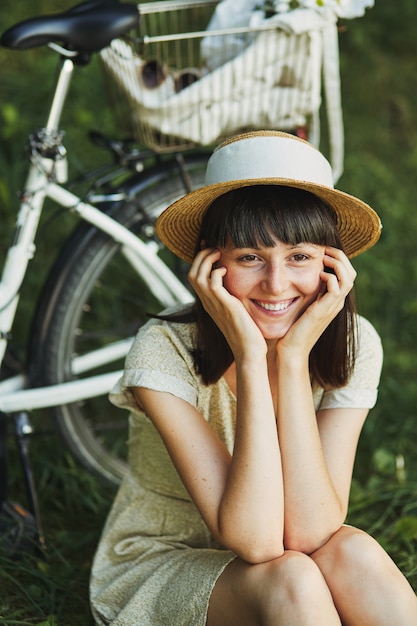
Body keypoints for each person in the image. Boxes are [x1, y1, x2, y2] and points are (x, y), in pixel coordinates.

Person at [90, 131, 417, 625]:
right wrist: (248, 354)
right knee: (293, 578)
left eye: (300, 257)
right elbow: (258, 540)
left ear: (333, 265)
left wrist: (290, 360)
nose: (276, 284)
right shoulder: (163, 349)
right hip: (165, 562)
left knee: (354, 552)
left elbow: (309, 532)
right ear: (210, 261)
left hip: (289, 557)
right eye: (249, 258)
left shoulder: (355, 342)